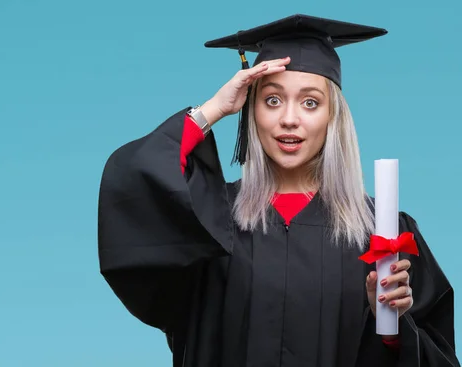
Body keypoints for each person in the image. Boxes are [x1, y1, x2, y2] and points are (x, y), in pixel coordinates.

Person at [97, 14, 459, 367]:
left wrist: (392, 328)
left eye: (310, 102)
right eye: (272, 100)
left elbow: (437, 355)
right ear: (250, 112)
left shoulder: (382, 232)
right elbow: (134, 182)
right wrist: (211, 111)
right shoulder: (211, 217)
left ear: (334, 118)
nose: (289, 118)